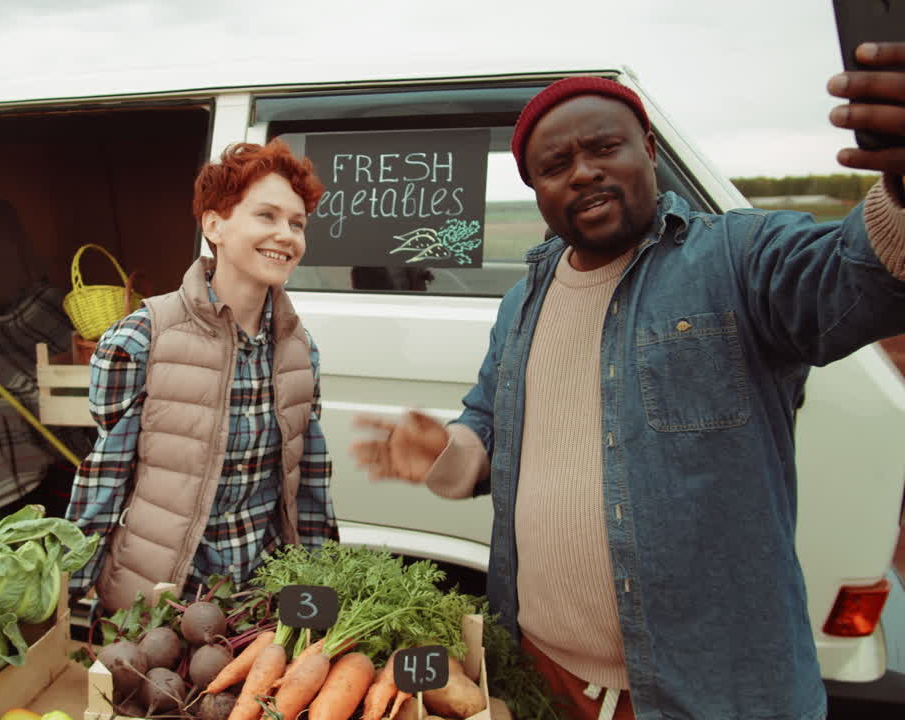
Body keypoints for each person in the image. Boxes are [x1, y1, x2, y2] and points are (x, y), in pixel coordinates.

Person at [353, 44, 905, 720]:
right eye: (555, 166)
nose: (583, 173)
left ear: (647, 147)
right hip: (541, 674)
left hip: (708, 694)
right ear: (536, 189)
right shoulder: (523, 301)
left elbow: (854, 277)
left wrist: (901, 194)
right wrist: (448, 452)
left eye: (604, 148)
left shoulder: (734, 259)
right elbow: (490, 426)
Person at [67, 139, 339, 612]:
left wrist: (319, 587)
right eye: (267, 216)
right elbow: (105, 480)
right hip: (161, 602)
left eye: (297, 224)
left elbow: (308, 482)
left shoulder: (300, 350)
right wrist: (65, 594)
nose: (287, 235)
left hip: (262, 602)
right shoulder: (141, 338)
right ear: (215, 224)